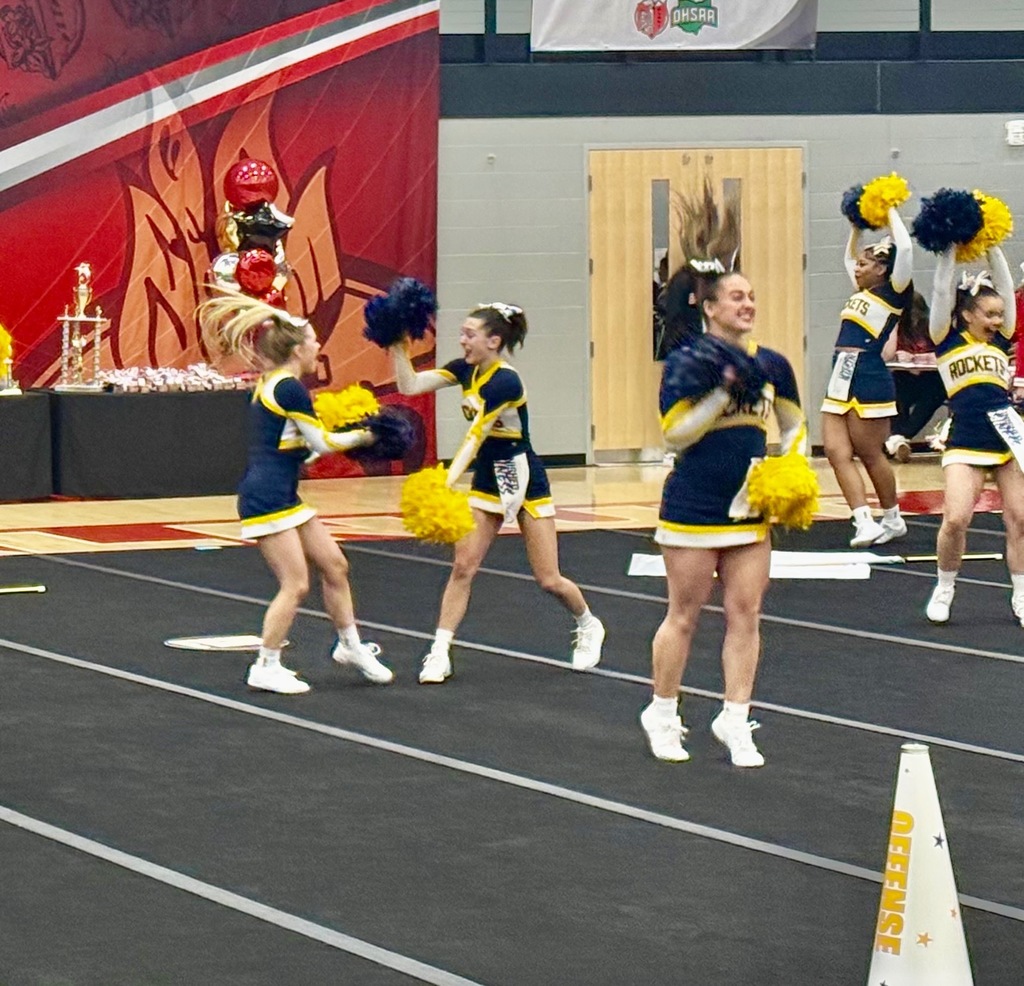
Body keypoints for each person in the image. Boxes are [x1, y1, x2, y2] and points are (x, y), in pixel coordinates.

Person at [638, 269, 807, 768]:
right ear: (710, 308)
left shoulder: (773, 363)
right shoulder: (687, 363)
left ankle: (735, 717)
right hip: (695, 506)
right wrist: (722, 393)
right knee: (684, 616)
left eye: (752, 295)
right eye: (736, 297)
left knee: (746, 613)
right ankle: (663, 713)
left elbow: (795, 424)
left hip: (750, 507)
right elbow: (676, 435)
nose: (748, 304)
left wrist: (790, 464)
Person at [390, 302, 605, 682]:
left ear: (494, 340)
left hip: (522, 475)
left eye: (470, 334)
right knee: (463, 566)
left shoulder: (506, 382)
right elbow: (410, 386)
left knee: (549, 578)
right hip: (488, 475)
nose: (462, 340)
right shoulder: (464, 370)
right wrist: (396, 345)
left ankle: (588, 624)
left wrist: (446, 479)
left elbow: (476, 436)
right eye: (463, 332)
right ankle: (439, 651)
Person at [198, 291, 395, 694]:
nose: (318, 346)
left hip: (284, 493)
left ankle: (350, 646)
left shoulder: (278, 384)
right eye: (313, 341)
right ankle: (265, 665)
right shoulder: (289, 388)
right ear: (297, 349)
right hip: (266, 497)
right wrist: (367, 434)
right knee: (296, 584)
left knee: (335, 565)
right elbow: (321, 445)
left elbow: (296, 446)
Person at [923, 245, 1024, 625]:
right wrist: (948, 250)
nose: (998, 320)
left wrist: (992, 244)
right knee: (956, 519)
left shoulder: (1001, 341)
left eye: (1001, 313)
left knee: (1020, 518)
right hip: (965, 437)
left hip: (1006, 436)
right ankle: (945, 586)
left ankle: (1021, 594)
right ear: (967, 315)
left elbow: (1005, 282)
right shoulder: (945, 339)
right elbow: (940, 289)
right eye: (990, 314)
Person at [821, 207, 912, 547]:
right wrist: (856, 229)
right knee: (834, 450)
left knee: (870, 453)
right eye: (858, 263)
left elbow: (905, 250)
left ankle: (892, 517)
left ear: (882, 269)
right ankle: (863, 520)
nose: (856, 268)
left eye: (864, 264)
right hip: (840, 372)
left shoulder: (894, 292)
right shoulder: (861, 292)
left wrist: (889, 211)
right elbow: (847, 257)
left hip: (869, 373)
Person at [880, 289, 946, 462]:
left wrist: (929, 357)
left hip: (931, 379)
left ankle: (899, 438)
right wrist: (900, 350)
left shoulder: (934, 327)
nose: (915, 321)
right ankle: (899, 440)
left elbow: (947, 352)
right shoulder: (897, 327)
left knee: (935, 394)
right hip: (905, 377)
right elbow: (887, 353)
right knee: (894, 391)